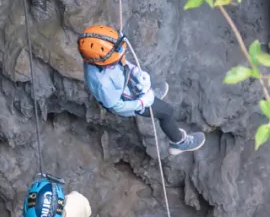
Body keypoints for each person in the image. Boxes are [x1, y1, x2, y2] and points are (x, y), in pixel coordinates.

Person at [77, 24, 205, 154]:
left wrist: (136, 72)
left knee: (148, 88)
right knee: (167, 112)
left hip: (124, 84)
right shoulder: (102, 84)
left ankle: (151, 95)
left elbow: (120, 61)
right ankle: (179, 142)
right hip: (129, 101)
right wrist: (142, 102)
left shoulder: (99, 56)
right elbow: (117, 106)